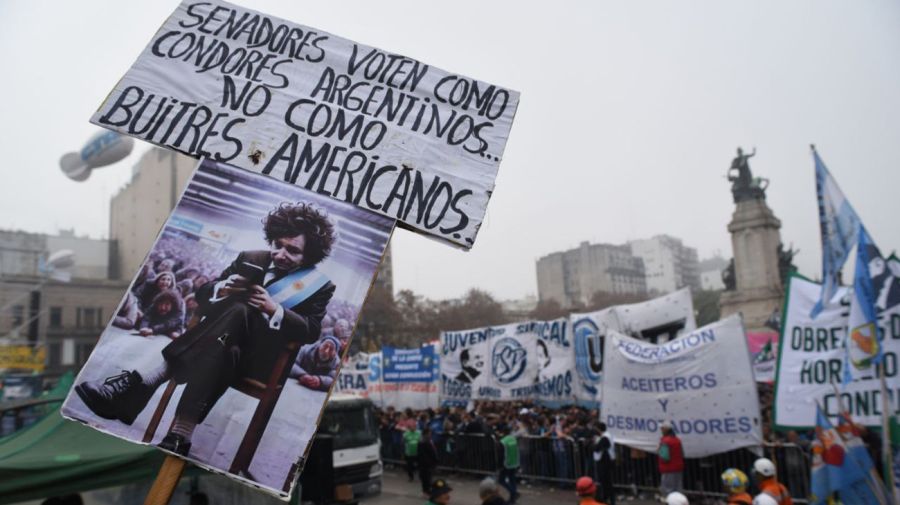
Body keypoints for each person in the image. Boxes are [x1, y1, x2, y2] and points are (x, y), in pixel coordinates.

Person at [74, 202, 336, 457]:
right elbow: (202, 294)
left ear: (310, 255)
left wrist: (273, 309)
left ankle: (140, 382)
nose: (280, 254)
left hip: (259, 360)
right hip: (224, 349)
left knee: (236, 316)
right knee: (224, 345)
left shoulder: (319, 286)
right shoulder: (250, 258)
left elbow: (311, 331)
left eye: (292, 250)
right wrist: (221, 289)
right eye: (278, 245)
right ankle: (180, 434)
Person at [658, 421, 684, 497]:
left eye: (662, 428)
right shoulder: (677, 440)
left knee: (668, 490)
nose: (661, 430)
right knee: (678, 488)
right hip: (678, 467)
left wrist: (659, 450)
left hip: (668, 468)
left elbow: (664, 457)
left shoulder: (665, 441)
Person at [593, 422, 615, 505]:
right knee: (606, 481)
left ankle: (608, 499)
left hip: (605, 462)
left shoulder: (605, 437)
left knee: (606, 481)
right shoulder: (606, 436)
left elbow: (597, 448)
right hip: (606, 461)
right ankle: (607, 498)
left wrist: (593, 444)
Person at [497, 424, 520, 504]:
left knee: (501, 480)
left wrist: (499, 466)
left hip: (506, 463)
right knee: (512, 480)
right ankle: (512, 499)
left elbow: (501, 455)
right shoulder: (514, 439)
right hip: (514, 463)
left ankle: (513, 493)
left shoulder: (502, 442)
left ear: (503, 432)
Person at [418, 426, 439, 495]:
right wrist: (434, 460)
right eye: (429, 433)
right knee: (426, 477)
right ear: (426, 433)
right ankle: (427, 490)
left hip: (426, 462)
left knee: (426, 477)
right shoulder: (424, 442)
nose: (431, 434)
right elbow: (430, 452)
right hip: (426, 462)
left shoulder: (426, 440)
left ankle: (426, 490)